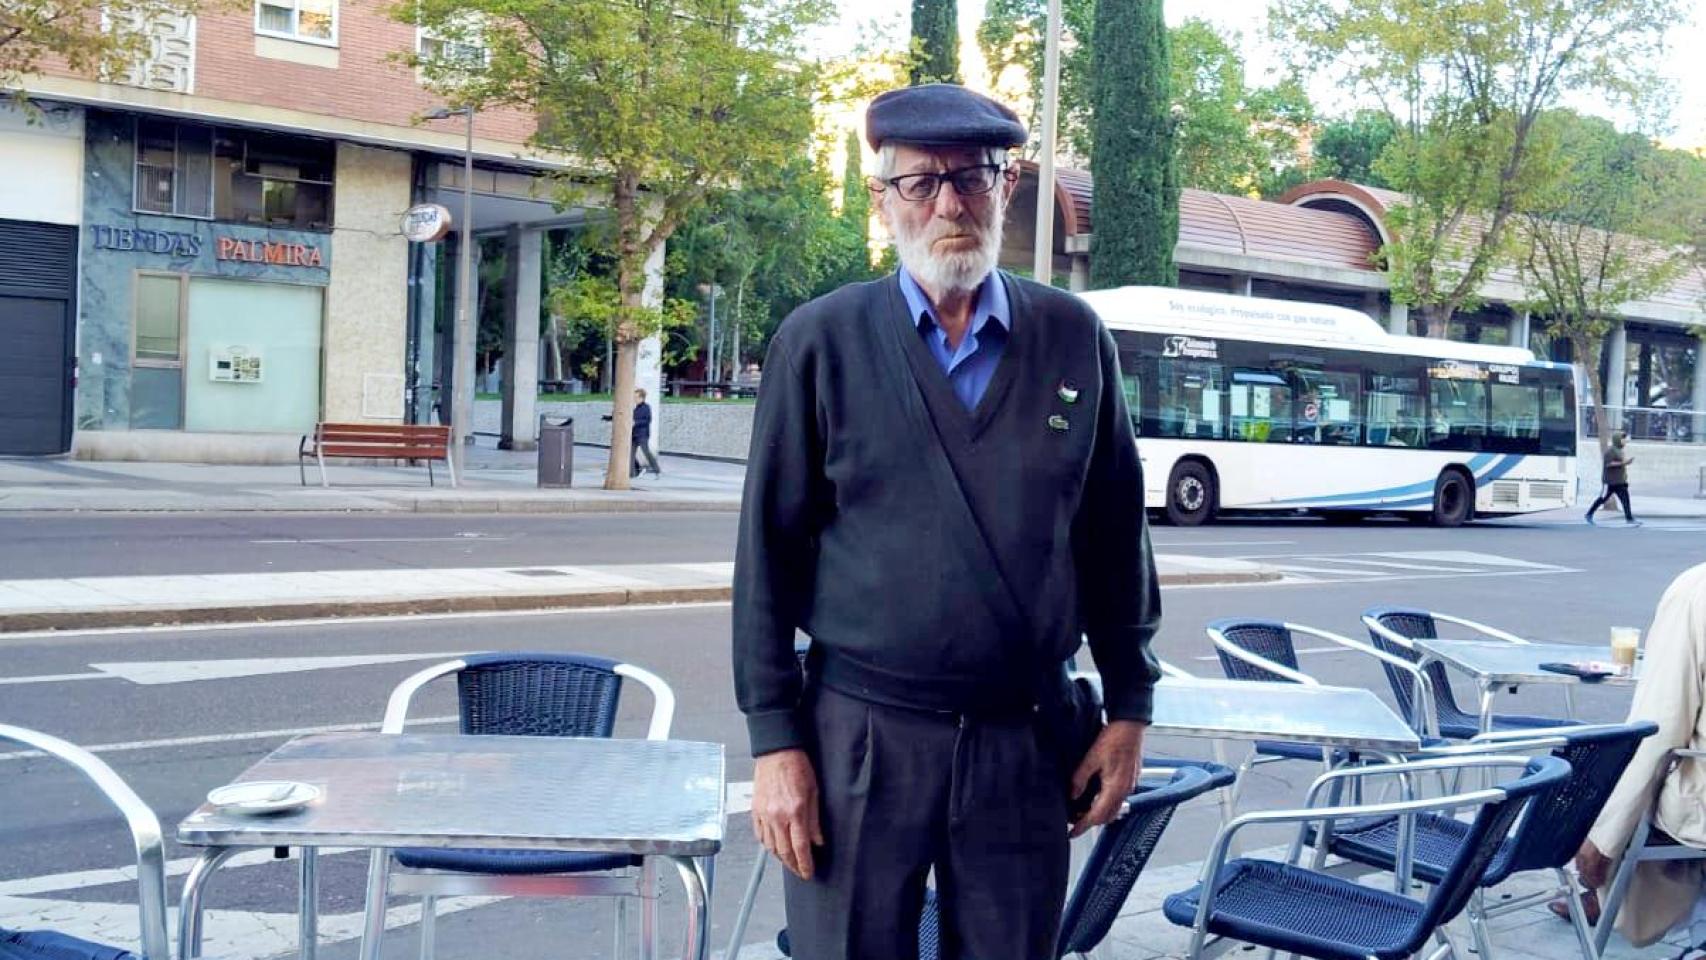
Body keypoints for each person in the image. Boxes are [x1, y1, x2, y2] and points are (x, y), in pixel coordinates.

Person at [732, 83, 1160, 960]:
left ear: (1007, 188)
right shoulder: (820, 342)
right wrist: (776, 744)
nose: (949, 204)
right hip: (858, 736)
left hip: (1024, 735)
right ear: (881, 200)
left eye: (972, 177)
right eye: (921, 183)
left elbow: (1115, 537)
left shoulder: (1075, 338)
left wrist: (1131, 707)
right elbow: (766, 558)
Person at [1565, 561, 1706, 951]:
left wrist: (1604, 838)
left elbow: (1657, 729)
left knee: (1632, 807)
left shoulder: (1695, 591)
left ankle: (1602, 892)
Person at [605, 389, 661, 478]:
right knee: (630, 453)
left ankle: (656, 470)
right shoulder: (635, 408)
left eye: (636, 397)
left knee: (646, 452)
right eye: (634, 397)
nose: (634, 399)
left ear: (642, 398)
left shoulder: (646, 407)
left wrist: (635, 422)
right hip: (634, 434)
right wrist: (609, 418)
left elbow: (647, 420)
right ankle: (631, 473)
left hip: (642, 435)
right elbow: (626, 416)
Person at [1586, 431, 1638, 525]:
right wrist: (1624, 463)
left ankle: (1629, 518)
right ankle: (1589, 514)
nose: (1625, 441)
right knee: (1602, 499)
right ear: (1618, 440)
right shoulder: (1611, 451)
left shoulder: (1620, 450)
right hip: (1609, 482)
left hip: (1620, 481)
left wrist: (1626, 464)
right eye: (1623, 439)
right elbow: (1608, 464)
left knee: (1625, 500)